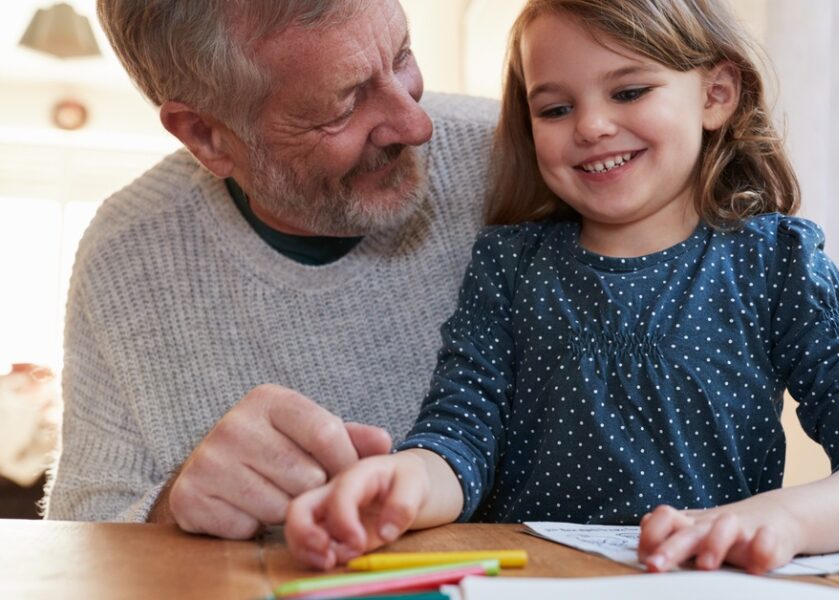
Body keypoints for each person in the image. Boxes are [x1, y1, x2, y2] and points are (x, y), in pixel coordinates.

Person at [284, 0, 839, 574]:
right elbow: (458, 439)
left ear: (716, 95)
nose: (593, 126)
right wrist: (402, 484)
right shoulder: (509, 267)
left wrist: (780, 519)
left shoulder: (775, 264)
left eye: (628, 91)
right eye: (555, 108)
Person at [43, 0, 498, 540]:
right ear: (206, 135)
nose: (415, 124)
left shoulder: (520, 160)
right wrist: (173, 505)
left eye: (401, 56)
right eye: (344, 107)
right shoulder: (128, 254)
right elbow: (77, 535)